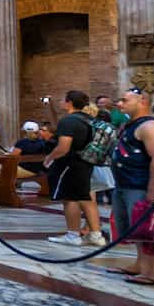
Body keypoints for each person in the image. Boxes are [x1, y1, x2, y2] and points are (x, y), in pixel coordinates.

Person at [110, 88, 154, 283]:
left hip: (140, 185)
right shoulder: (130, 125)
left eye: (125, 100)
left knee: (149, 229)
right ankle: (140, 264)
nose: (119, 104)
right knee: (135, 228)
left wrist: (153, 189)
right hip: (124, 184)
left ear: (142, 102)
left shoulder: (149, 126)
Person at [44, 90, 104, 246]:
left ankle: (72, 235)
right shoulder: (89, 119)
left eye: (62, 100)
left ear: (69, 102)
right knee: (84, 197)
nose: (61, 102)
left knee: (70, 199)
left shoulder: (69, 121)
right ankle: (95, 234)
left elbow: (63, 147)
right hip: (86, 162)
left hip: (69, 164)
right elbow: (58, 128)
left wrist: (49, 158)